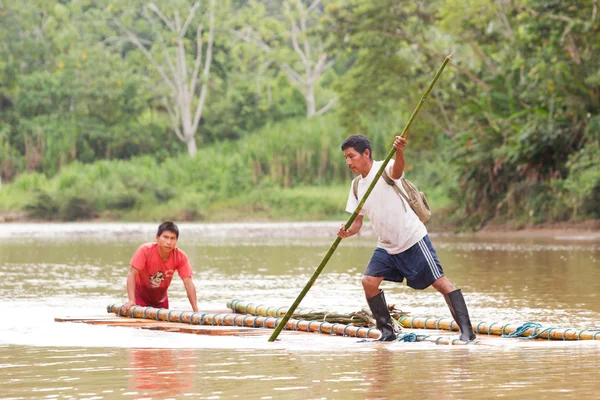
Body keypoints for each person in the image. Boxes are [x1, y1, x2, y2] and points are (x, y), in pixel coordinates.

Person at [337, 134, 476, 342]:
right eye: (346, 158)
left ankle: (467, 332)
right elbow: (357, 222)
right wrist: (347, 232)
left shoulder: (385, 168)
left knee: (440, 283)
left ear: (366, 154)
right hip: (386, 246)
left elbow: (398, 171)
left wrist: (400, 150)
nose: (348, 162)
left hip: (412, 238)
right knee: (368, 282)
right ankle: (387, 332)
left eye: (352, 156)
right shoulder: (357, 186)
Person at [121, 221, 198, 314]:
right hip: (140, 300)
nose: (169, 242)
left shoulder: (180, 257)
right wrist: (131, 301)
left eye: (172, 238)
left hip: (161, 302)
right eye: (165, 237)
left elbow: (188, 284)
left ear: (176, 241)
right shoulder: (145, 250)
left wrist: (196, 311)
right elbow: (131, 274)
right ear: (157, 238)